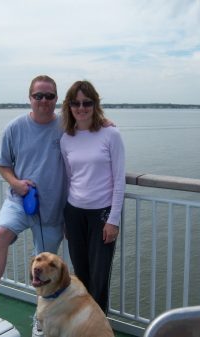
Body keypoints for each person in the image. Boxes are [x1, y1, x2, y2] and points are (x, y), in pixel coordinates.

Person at [0, 75, 67, 337]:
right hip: (20, 200)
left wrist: (106, 123)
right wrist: (16, 183)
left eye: (49, 96)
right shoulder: (15, 127)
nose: (44, 100)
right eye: (38, 95)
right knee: (1, 234)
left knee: (45, 270)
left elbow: (91, 128)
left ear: (56, 99)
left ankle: (40, 319)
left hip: (52, 212)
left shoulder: (66, 125)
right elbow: (2, 163)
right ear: (29, 98)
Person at [60, 80, 126, 314]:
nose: (81, 107)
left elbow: (119, 179)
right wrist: (66, 219)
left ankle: (98, 326)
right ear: (68, 106)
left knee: (99, 277)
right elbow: (69, 179)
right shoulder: (66, 137)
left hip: (102, 213)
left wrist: (113, 220)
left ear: (95, 104)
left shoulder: (110, 134)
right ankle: (82, 323)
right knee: (81, 275)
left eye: (87, 102)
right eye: (75, 103)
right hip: (74, 212)